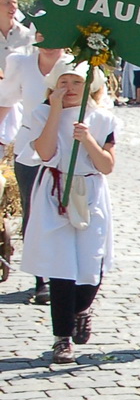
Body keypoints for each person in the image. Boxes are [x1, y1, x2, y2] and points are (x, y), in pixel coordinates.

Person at [19, 60, 118, 365]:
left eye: (77, 82)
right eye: (64, 82)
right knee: (61, 265)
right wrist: (54, 112)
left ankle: (81, 308)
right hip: (55, 191)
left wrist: (87, 140)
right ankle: (62, 337)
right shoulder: (41, 114)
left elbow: (107, 166)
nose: (70, 88)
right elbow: (45, 152)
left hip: (89, 192)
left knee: (90, 263)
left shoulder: (102, 118)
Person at [1, 45, 66, 305]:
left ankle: (67, 272)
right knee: (34, 210)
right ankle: (43, 278)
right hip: (30, 149)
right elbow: (5, 101)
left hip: (66, 146)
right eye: (41, 35)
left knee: (65, 209)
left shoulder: (76, 64)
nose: (46, 42)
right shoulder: (22, 64)